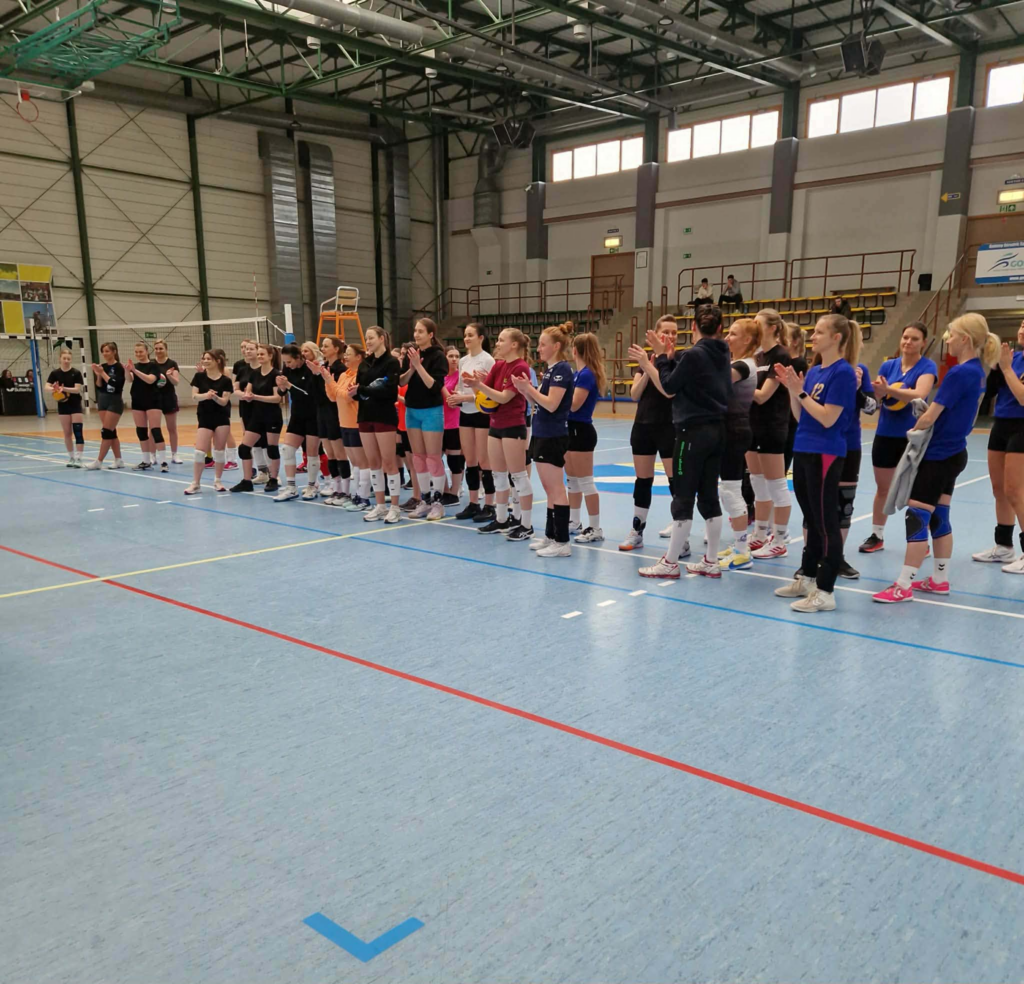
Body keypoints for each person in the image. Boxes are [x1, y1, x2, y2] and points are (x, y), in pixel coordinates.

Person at [872, 313, 1000, 603]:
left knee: (917, 515)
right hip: (955, 453)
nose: (948, 340)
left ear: (964, 339)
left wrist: (915, 428)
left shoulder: (959, 373)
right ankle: (940, 580)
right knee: (939, 516)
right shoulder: (978, 371)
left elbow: (930, 417)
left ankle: (903, 585)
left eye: (951, 335)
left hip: (938, 455)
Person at [631, 304, 731, 579]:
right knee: (709, 497)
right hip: (717, 431)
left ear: (693, 326)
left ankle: (670, 562)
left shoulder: (694, 354)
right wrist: (669, 358)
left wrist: (659, 359)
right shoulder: (724, 352)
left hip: (692, 433)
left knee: (683, 497)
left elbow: (668, 387)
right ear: (720, 328)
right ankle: (711, 560)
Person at [773, 315, 858, 613]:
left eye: (820, 332)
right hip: (804, 447)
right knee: (811, 518)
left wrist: (801, 392)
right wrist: (791, 389)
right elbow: (802, 415)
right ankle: (808, 578)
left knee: (826, 522)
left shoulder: (843, 373)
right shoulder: (814, 371)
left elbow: (828, 418)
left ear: (837, 337)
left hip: (826, 452)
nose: (813, 336)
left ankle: (825, 591)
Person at [860, 322, 936, 553]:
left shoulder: (927, 366)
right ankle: (877, 535)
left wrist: (890, 390)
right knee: (882, 488)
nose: (908, 342)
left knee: (917, 491)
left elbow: (919, 394)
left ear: (923, 342)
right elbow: (878, 396)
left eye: (914, 338)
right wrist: (876, 391)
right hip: (885, 434)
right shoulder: (888, 365)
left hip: (912, 437)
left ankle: (920, 541)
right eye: (905, 337)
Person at [510, 325, 574, 555]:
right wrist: (524, 390)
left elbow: (551, 404)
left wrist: (529, 388)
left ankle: (562, 542)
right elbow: (539, 403)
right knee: (549, 489)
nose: (539, 349)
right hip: (542, 431)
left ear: (556, 346)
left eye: (543, 344)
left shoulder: (562, 370)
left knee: (556, 488)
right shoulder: (550, 370)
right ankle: (551, 535)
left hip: (553, 434)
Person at [462, 328, 531, 538]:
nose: (497, 344)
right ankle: (501, 519)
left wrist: (479, 385)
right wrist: (475, 385)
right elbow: (485, 397)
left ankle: (525, 523)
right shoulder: (499, 365)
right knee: (498, 475)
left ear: (514, 345)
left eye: (502, 340)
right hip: (495, 425)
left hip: (513, 426)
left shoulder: (520, 367)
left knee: (518, 476)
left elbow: (503, 397)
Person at [620, 315, 678, 552]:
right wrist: (645, 368)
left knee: (675, 482)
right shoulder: (645, 360)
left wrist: (652, 365)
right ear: (656, 334)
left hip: (669, 427)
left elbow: (668, 391)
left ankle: (680, 532)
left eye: (674, 332)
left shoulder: (679, 361)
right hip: (643, 426)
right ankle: (637, 531)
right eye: (666, 331)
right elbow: (634, 394)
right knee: (643, 481)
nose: (670, 336)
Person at [973, 318, 1024, 573]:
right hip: (1001, 424)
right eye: (1022, 325)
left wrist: (1006, 369)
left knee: (1015, 490)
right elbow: (992, 392)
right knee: (999, 489)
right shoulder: (1013, 358)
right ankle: (1004, 546)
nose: (1022, 330)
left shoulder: (1010, 364)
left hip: (1022, 427)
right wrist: (995, 366)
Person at [747, 309, 793, 558]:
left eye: (759, 323)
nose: (754, 327)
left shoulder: (780, 355)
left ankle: (780, 539)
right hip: (752, 425)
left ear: (773, 328)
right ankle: (760, 534)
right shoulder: (757, 356)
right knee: (757, 483)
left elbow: (764, 395)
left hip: (772, 426)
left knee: (776, 484)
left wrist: (736, 385)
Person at [833, 321, 876, 580]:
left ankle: (836, 557)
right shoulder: (822, 368)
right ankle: (812, 555)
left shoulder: (861, 370)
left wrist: (858, 390)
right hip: (824, 444)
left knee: (844, 504)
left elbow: (871, 407)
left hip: (850, 443)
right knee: (818, 503)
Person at [718, 317, 760, 570]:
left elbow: (716, 381)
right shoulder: (739, 363)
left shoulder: (743, 365)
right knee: (728, 490)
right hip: (731, 431)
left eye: (733, 334)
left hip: (735, 431)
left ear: (747, 339)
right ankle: (738, 544)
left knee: (731, 491)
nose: (727, 338)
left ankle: (742, 552)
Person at [351, 326, 403, 523]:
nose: (368, 341)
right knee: (373, 462)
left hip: (384, 416)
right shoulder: (364, 364)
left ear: (382, 338)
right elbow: (359, 389)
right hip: (365, 415)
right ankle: (380, 506)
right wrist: (355, 392)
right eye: (366, 338)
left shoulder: (391, 362)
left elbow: (389, 392)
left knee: (388, 462)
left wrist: (363, 390)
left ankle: (395, 507)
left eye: (371, 337)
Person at [401, 318, 449, 520]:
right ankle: (425, 500)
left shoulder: (438, 356)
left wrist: (419, 367)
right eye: (415, 331)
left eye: (421, 331)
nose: (416, 334)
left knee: (433, 457)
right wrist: (412, 367)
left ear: (430, 334)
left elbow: (434, 386)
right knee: (418, 457)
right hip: (412, 410)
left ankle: (438, 503)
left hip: (431, 411)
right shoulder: (412, 354)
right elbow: (401, 381)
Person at [448, 323, 496, 522]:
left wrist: (465, 397)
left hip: (482, 413)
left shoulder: (488, 360)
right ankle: (473, 503)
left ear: (481, 338)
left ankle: (490, 505)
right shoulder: (463, 361)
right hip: (466, 413)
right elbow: (462, 387)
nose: (466, 338)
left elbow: (489, 393)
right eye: (465, 335)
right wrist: (456, 396)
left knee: (485, 461)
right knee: (470, 460)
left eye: (470, 335)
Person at [566, 331, 606, 542]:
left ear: (575, 350)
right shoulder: (577, 374)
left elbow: (574, 405)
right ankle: (574, 521)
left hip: (581, 431)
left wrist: (555, 395)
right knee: (572, 481)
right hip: (570, 429)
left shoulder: (586, 375)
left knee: (585, 482)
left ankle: (595, 527)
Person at [231, 343, 283, 494]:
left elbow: (277, 398)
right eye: (258, 354)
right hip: (257, 415)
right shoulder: (254, 373)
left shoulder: (275, 374)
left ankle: (273, 479)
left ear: (270, 356)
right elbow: (248, 391)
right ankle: (247, 481)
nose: (259, 356)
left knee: (271, 448)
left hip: (272, 416)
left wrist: (256, 397)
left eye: (262, 354)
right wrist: (246, 396)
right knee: (244, 448)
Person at [273, 343, 321, 502]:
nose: (287, 365)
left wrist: (288, 385)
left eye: (289, 362)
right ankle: (291, 487)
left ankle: (312, 486)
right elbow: (283, 392)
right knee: (287, 449)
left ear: (299, 357)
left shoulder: (310, 369)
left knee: (312, 452)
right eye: (285, 362)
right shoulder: (288, 369)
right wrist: (281, 387)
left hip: (313, 415)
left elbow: (307, 393)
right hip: (297, 415)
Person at [184, 349, 233, 495]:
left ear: (217, 361)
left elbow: (224, 402)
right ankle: (196, 483)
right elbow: (194, 396)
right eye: (203, 358)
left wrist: (215, 397)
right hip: (205, 417)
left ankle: (218, 481)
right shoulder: (199, 377)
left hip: (221, 417)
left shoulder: (226, 380)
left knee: (219, 451)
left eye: (208, 359)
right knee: (199, 452)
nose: (205, 361)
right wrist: (206, 395)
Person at [325, 343, 367, 509]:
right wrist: (328, 381)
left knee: (362, 462)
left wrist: (331, 383)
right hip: (344, 422)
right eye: (346, 353)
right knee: (355, 462)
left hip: (356, 422)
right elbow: (333, 397)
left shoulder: (360, 376)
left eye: (349, 354)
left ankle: (363, 497)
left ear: (359, 357)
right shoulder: (344, 375)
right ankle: (356, 495)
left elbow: (348, 396)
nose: (346, 357)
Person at [315, 335, 350, 502]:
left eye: (326, 346)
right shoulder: (323, 367)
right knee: (330, 453)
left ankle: (346, 491)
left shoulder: (341, 369)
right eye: (322, 345)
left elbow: (335, 394)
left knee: (339, 453)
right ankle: (336, 489)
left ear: (336, 349)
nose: (323, 348)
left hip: (335, 413)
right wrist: (315, 375)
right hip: (322, 412)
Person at [84, 342, 126, 470]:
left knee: (106, 432)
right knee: (111, 431)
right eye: (103, 351)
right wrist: (98, 375)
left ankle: (99, 461)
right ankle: (118, 460)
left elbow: (115, 385)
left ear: (114, 352)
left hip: (114, 400)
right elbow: (99, 385)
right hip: (103, 399)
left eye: (107, 351)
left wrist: (102, 373)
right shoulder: (102, 367)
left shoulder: (120, 367)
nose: (105, 354)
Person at [232, 340, 267, 482]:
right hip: (246, 407)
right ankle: (262, 473)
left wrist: (255, 396)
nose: (247, 351)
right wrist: (244, 395)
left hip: (262, 407)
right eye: (246, 349)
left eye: (251, 349)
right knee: (252, 441)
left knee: (265, 440)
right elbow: (235, 389)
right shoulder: (242, 370)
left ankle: (273, 474)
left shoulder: (265, 369)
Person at [125, 341, 162, 471]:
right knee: (141, 431)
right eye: (136, 352)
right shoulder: (135, 366)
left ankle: (163, 461)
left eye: (141, 351)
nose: (138, 354)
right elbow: (129, 379)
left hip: (152, 400)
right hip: (137, 400)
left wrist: (135, 371)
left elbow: (150, 380)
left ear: (147, 351)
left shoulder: (153, 366)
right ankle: (146, 461)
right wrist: (127, 371)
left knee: (155, 430)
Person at [45, 347, 85, 466]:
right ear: (60, 359)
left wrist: (64, 388)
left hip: (75, 404)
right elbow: (46, 387)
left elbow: (77, 389)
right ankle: (71, 457)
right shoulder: (55, 373)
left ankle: (79, 458)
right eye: (64, 358)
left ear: (71, 360)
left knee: (78, 431)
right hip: (63, 405)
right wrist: (54, 389)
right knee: (67, 433)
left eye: (68, 359)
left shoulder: (76, 373)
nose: (66, 361)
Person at [440, 346, 466, 506]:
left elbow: (452, 401)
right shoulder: (441, 376)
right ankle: (444, 491)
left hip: (455, 423)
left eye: (457, 356)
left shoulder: (460, 376)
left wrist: (442, 388)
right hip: (438, 423)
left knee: (454, 460)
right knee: (436, 459)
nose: (454, 359)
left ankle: (454, 492)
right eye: (451, 356)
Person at [782, 323, 807, 475]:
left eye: (784, 337)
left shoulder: (798, 364)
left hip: (790, 421)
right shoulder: (784, 361)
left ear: (795, 342)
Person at [152, 338, 182, 464]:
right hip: (154, 399)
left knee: (172, 428)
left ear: (166, 349)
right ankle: (152, 455)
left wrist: (169, 376)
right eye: (156, 349)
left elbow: (176, 382)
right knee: (153, 428)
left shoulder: (172, 364)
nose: (158, 351)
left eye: (161, 348)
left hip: (169, 398)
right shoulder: (151, 363)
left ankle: (174, 454)